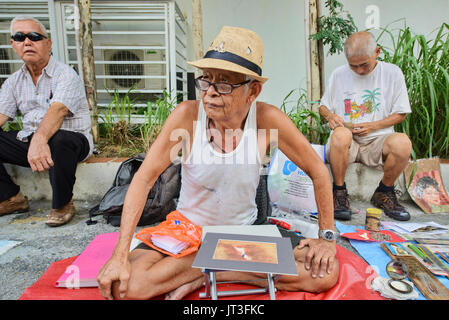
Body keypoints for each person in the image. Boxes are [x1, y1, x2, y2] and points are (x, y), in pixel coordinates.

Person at [98, 26, 339, 300]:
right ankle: (214, 266)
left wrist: (327, 238)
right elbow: (143, 179)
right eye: (206, 80)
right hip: (188, 232)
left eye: (223, 84)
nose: (209, 93)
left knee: (324, 272)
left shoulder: (267, 120)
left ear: (253, 91)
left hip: (245, 234)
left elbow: (318, 170)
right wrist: (120, 255)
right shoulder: (186, 118)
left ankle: (204, 273)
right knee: (125, 287)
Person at [0, 16, 93, 227]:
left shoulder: (65, 75)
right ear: (13, 44)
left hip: (70, 141)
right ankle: (11, 198)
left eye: (34, 36)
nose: (27, 42)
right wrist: (35, 141)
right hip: (33, 144)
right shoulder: (13, 82)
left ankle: (62, 204)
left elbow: (58, 111)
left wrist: (40, 139)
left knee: (58, 140)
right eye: (19, 37)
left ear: (48, 44)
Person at [319, 31, 412, 222]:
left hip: (378, 139)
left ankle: (384, 193)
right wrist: (331, 116)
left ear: (377, 52)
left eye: (364, 65)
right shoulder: (339, 74)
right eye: (353, 66)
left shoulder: (392, 73)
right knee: (340, 134)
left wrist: (374, 126)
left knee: (403, 143)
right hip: (348, 142)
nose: (359, 71)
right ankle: (339, 193)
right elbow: (323, 106)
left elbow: (400, 113)